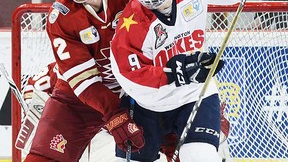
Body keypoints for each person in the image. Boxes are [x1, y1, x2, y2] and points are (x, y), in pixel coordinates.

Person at [110, 0, 281, 161]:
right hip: (147, 106)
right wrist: (176, 72)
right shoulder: (131, 21)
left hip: (194, 95)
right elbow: (129, 75)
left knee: (201, 157)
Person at [23, 0, 146, 161]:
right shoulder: (61, 17)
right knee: (42, 158)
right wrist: (115, 114)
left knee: (180, 143)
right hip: (78, 98)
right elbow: (85, 82)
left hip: (139, 87)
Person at [21, 60, 230, 161]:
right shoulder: (68, 69)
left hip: (128, 125)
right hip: (89, 128)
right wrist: (44, 117)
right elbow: (31, 87)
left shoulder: (147, 71)